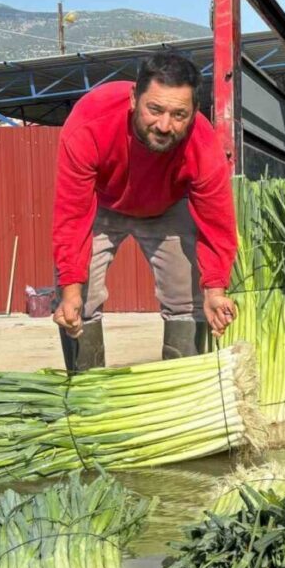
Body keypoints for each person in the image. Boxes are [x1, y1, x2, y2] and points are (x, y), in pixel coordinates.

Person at [51, 52, 238, 371]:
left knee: (187, 298)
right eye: (155, 109)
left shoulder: (202, 144)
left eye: (179, 114)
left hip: (166, 207)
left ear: (194, 113)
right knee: (78, 299)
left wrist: (215, 291)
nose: (165, 125)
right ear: (134, 98)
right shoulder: (90, 121)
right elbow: (72, 216)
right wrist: (70, 290)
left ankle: (180, 395)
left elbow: (216, 223)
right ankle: (86, 398)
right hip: (103, 203)